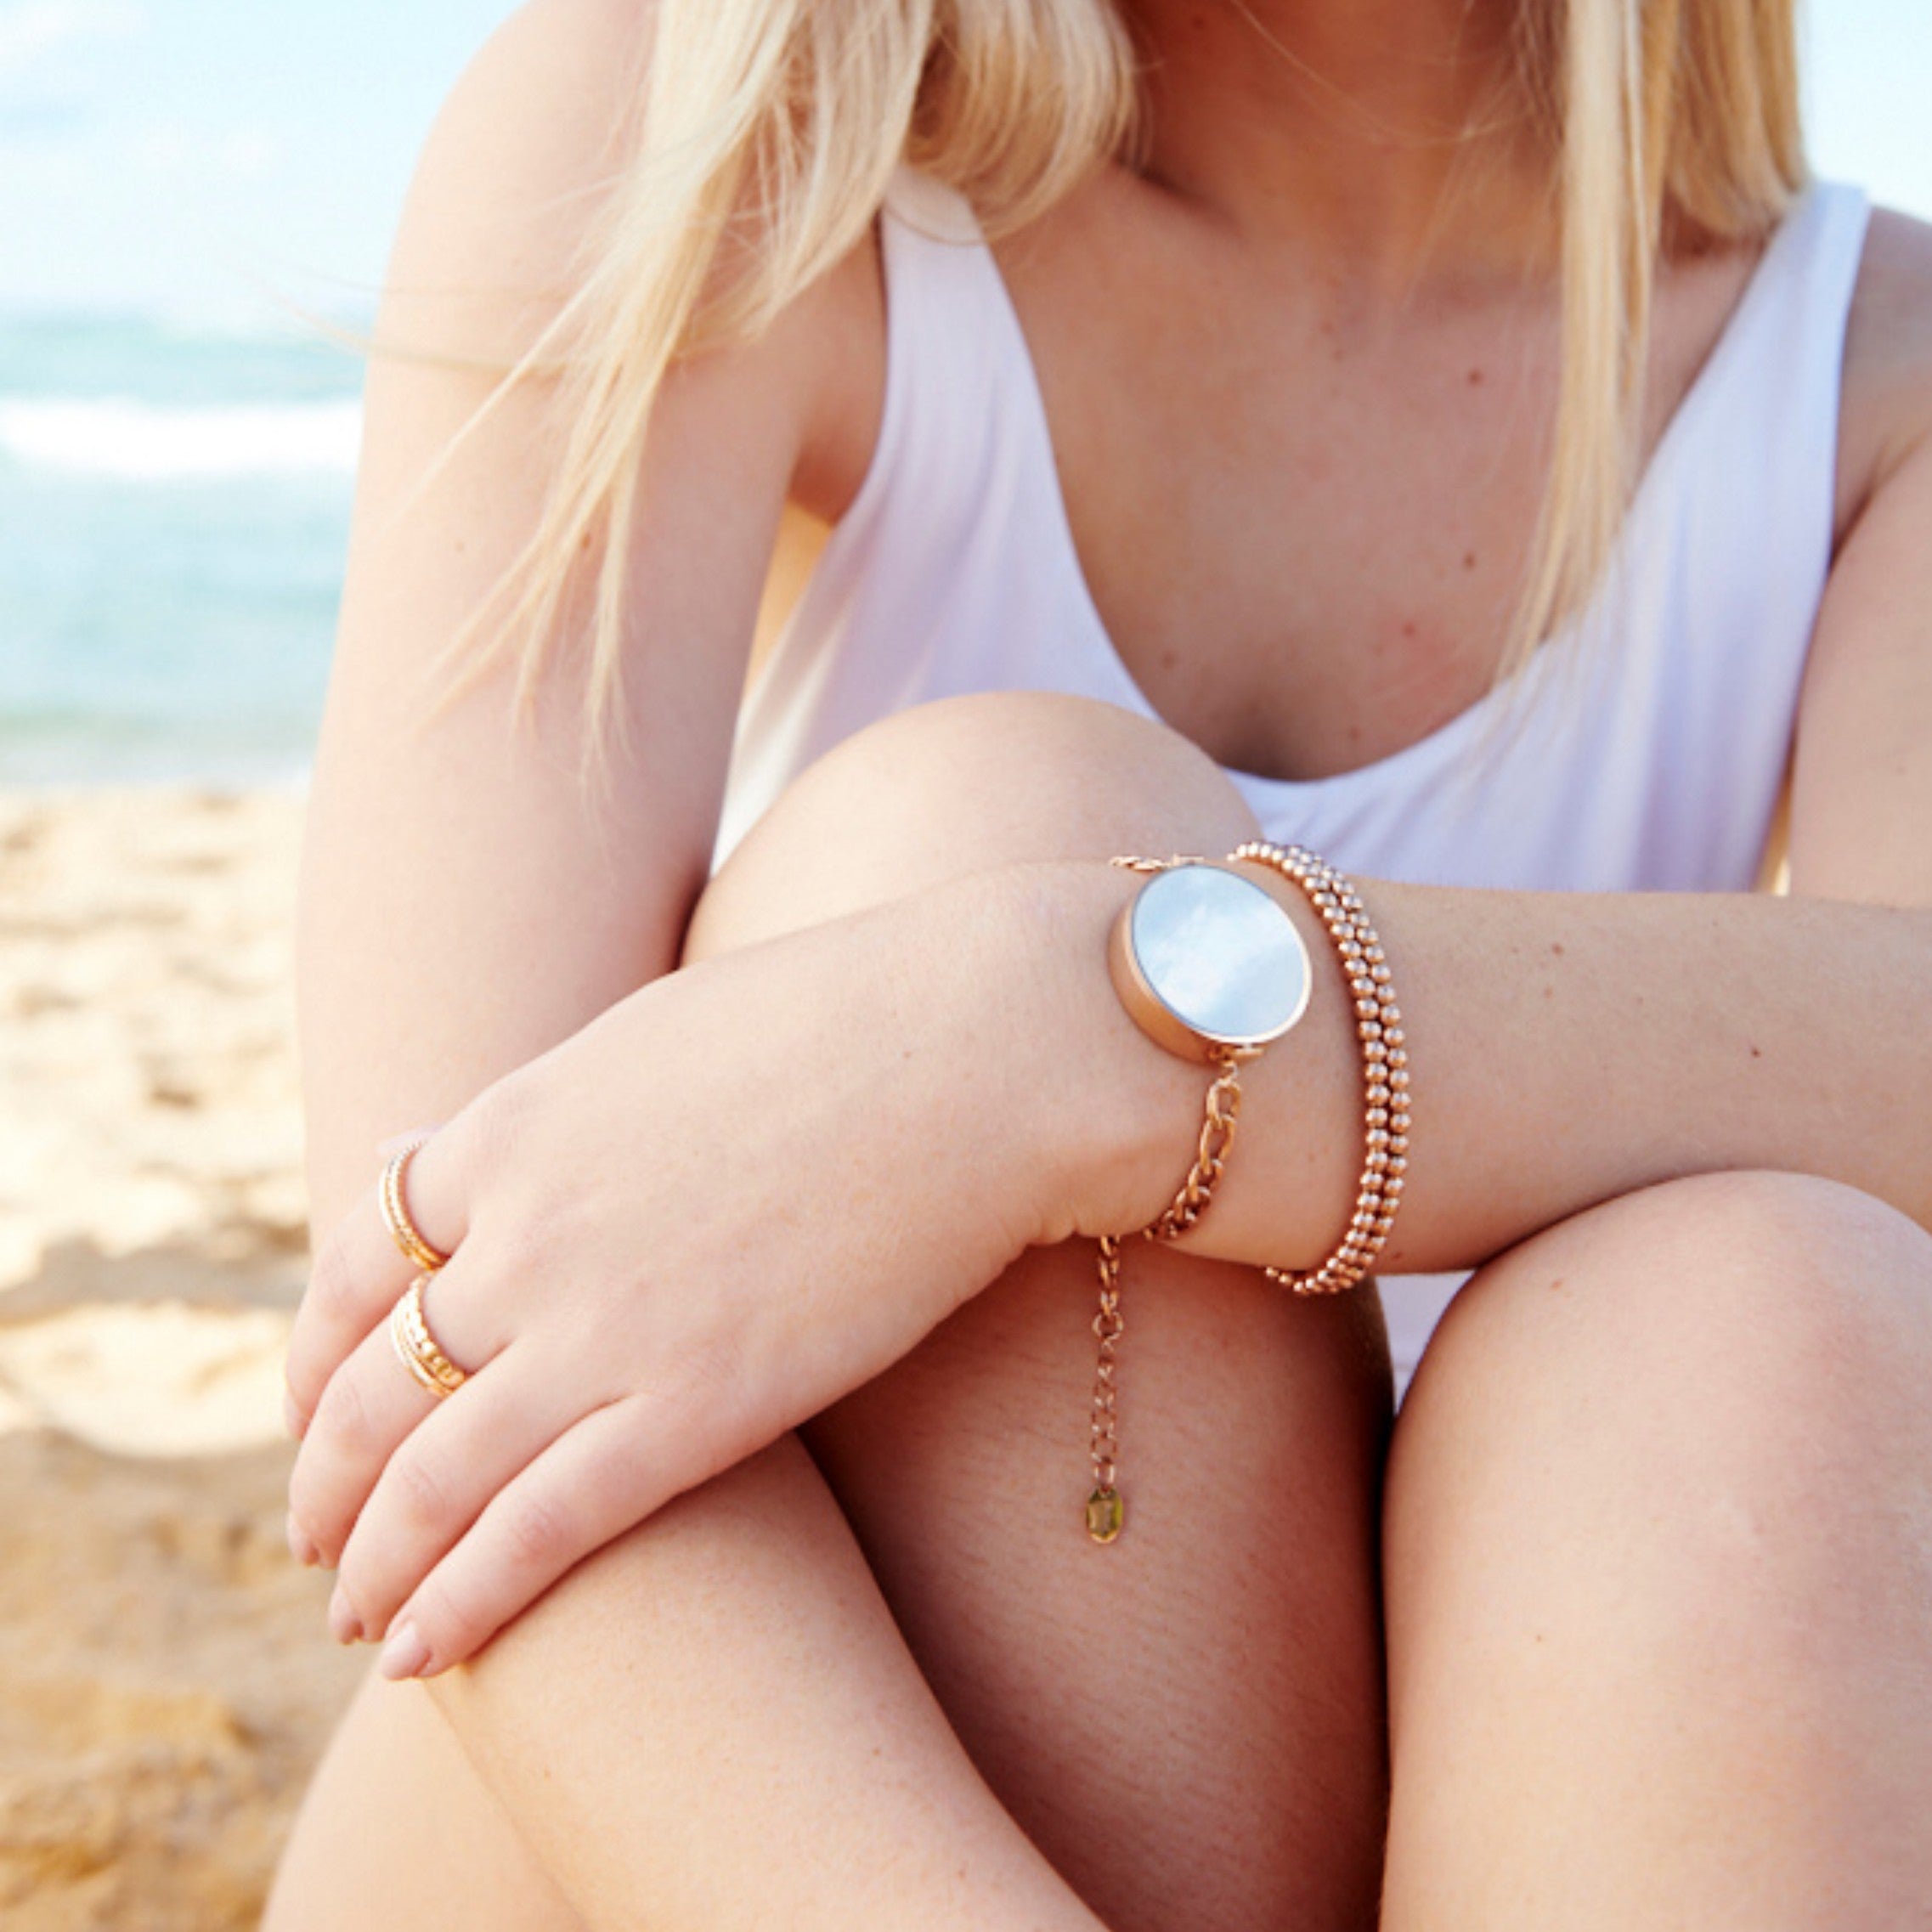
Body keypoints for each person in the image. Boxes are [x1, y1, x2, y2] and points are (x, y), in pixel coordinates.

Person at [263, 0, 1932, 1924]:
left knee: (1760, 1305)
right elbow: (428, 1341)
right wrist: (1061, 997)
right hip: (730, 1801)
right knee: (985, 823)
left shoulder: (1865, 375)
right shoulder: (725, 136)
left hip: (1543, 1737)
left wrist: (1062, 1044)